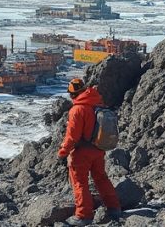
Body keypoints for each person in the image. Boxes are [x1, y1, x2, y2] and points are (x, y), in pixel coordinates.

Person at [58, 78, 121, 225]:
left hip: (81, 152)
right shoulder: (97, 104)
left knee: (80, 182)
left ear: (73, 94)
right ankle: (114, 208)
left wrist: (62, 153)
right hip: (98, 149)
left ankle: (83, 215)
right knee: (101, 178)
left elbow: (72, 136)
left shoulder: (77, 109)